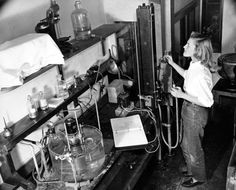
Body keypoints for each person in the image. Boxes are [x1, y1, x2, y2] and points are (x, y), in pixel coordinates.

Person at [165, 31, 214, 188]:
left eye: (188, 45)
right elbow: (187, 75)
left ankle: (198, 177)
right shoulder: (194, 65)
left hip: (196, 112)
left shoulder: (201, 73)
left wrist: (181, 94)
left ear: (197, 50)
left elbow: (207, 101)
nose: (184, 46)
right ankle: (192, 169)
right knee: (186, 144)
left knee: (193, 147)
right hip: (189, 108)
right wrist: (172, 64)